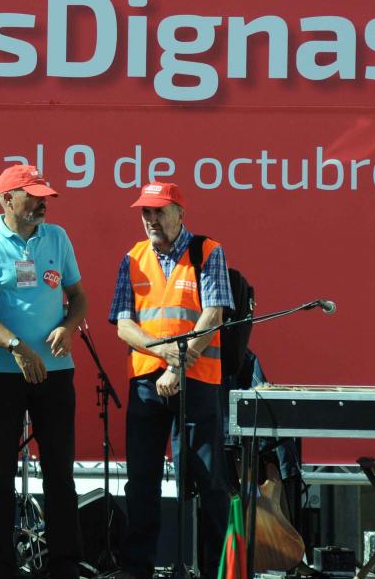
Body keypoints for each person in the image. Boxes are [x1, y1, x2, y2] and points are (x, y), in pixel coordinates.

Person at [0, 164, 87, 579]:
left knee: (59, 471)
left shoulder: (58, 237)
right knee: (0, 473)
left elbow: (79, 297)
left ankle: (64, 563)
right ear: (6, 199)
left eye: (44, 196)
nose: (42, 203)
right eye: (32, 195)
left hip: (56, 372)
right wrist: (15, 347)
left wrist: (68, 328)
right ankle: (1, 564)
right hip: (1, 373)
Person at [107, 182, 232, 579]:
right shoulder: (133, 258)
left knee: (207, 480)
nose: (151, 220)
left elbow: (212, 316)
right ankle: (137, 569)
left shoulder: (207, 252)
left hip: (196, 381)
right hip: (146, 383)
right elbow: (124, 325)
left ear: (180, 212)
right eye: (146, 212)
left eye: (159, 211)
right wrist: (161, 354)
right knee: (141, 482)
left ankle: (215, 569)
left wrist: (178, 366)